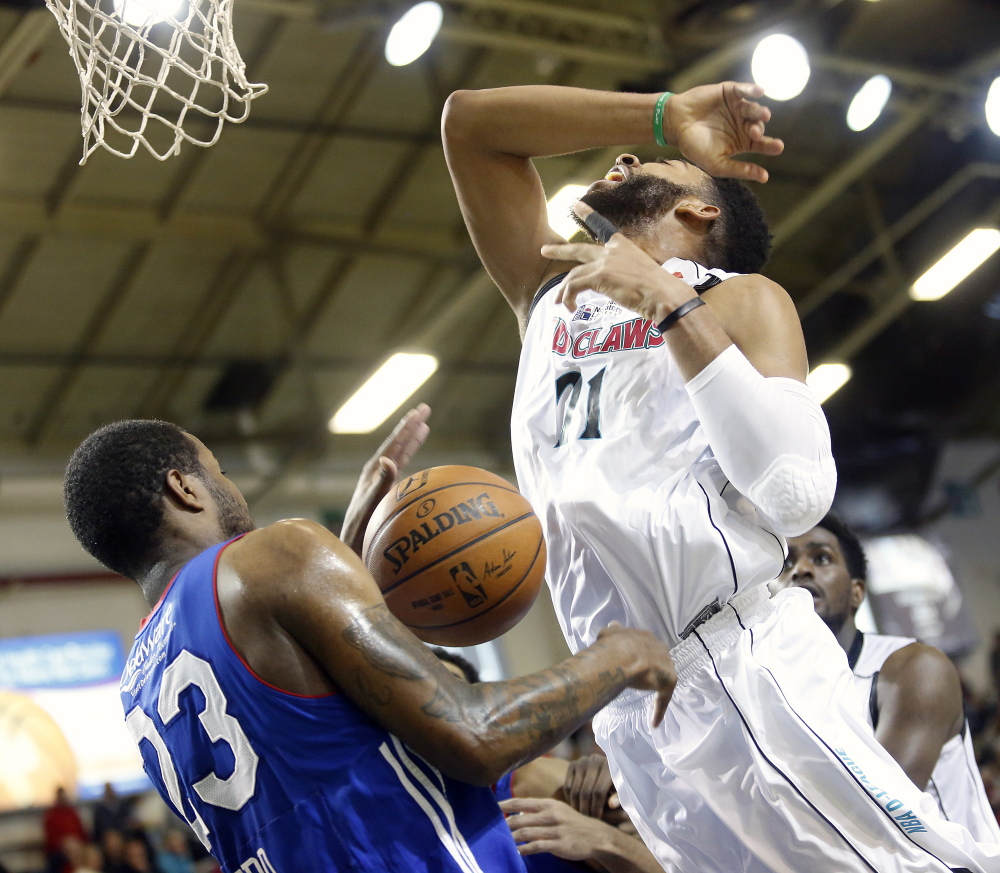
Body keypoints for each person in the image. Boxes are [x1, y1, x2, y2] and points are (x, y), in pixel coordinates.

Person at [442, 81, 1000, 871]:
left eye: (651, 162)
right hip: (631, 706)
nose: (625, 158)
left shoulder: (739, 300)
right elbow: (471, 124)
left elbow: (797, 492)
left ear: (701, 216)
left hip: (738, 659)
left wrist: (670, 304)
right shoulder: (551, 298)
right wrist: (664, 117)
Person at [62, 407, 676, 873]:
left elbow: (317, 755)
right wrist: (616, 656)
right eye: (219, 471)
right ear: (185, 488)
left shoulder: (139, 689)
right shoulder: (270, 557)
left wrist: (346, 551)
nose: (233, 489)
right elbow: (475, 734)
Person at [773, 513, 1000, 843]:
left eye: (821, 557)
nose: (800, 570)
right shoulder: (778, 685)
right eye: (785, 563)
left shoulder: (915, 667)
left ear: (857, 592)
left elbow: (874, 816)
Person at [432, 649, 659, 873]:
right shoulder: (404, 823)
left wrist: (609, 842)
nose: (436, 704)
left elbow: (670, 866)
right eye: (426, 694)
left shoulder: (537, 785)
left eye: (452, 689)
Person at [43, 787, 88, 873]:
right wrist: (65, 844)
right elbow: (50, 839)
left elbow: (82, 831)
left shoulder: (72, 812)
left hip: (78, 846)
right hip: (60, 851)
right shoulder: (50, 815)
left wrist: (77, 843)